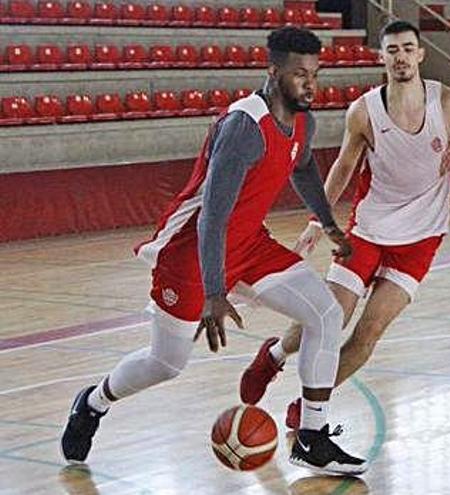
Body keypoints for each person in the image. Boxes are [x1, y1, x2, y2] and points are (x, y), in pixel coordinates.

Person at [60, 26, 367, 476]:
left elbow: (300, 168)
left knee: (325, 313)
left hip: (248, 244)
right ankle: (92, 402)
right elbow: (211, 218)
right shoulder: (245, 127)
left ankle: (312, 437)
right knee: (166, 363)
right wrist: (214, 291)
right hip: (192, 254)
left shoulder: (303, 119)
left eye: (315, 74)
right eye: (300, 74)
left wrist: (328, 223)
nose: (310, 84)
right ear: (272, 70)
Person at [237, 19, 450, 431]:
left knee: (368, 334)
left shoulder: (445, 101)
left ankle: (311, 405)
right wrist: (316, 222)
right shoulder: (365, 111)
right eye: (392, 50)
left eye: (408, 49)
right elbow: (343, 167)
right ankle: (274, 357)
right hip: (369, 231)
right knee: (327, 315)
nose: (401, 57)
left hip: (421, 239)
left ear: (421, 54)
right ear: (382, 57)